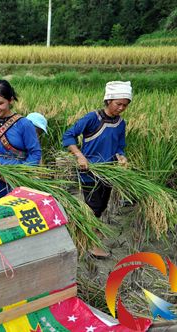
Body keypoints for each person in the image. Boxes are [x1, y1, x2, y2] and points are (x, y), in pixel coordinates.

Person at [62, 81, 132, 257]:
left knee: (101, 206)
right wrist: (79, 155)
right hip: (89, 172)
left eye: (125, 105)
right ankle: (91, 244)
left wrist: (121, 157)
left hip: (108, 172)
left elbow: (119, 146)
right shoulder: (92, 118)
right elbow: (69, 135)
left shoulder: (120, 123)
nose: (121, 108)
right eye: (118, 104)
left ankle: (90, 230)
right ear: (108, 100)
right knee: (92, 207)